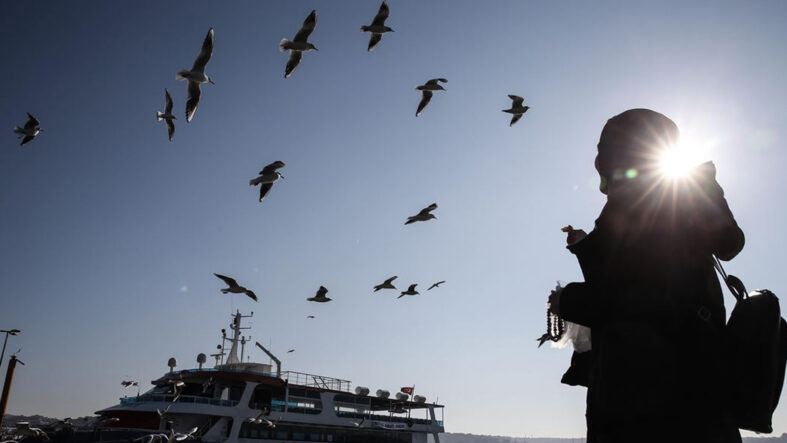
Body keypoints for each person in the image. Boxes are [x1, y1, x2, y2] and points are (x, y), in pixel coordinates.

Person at [549, 109, 744, 443]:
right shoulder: (686, 200)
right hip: (703, 394)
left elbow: (629, 299)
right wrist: (589, 247)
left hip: (639, 402)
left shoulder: (634, 207)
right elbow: (665, 277)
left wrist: (565, 299)